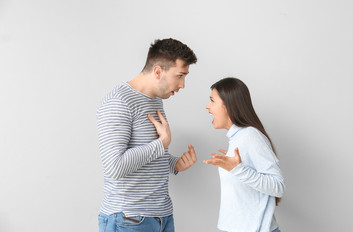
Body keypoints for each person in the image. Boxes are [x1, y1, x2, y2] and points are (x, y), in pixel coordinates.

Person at [97, 38, 198, 232]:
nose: (183, 84)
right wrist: (162, 144)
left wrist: (173, 163)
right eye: (180, 75)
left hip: (161, 216)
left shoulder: (154, 101)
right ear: (158, 71)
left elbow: (145, 155)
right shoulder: (118, 102)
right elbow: (114, 167)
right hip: (130, 219)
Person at [204, 77, 285, 232]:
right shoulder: (237, 138)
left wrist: (238, 169)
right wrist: (234, 166)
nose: (207, 106)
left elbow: (278, 187)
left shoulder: (250, 136)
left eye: (212, 101)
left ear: (228, 105)